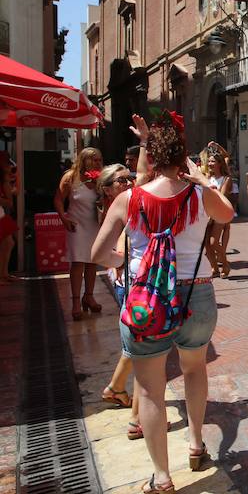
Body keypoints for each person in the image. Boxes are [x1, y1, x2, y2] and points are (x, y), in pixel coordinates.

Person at [92, 111, 234, 493]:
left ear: (150, 158)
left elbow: (98, 253)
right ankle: (196, 443)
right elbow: (229, 214)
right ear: (183, 157)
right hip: (197, 292)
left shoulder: (128, 198)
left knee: (151, 390)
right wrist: (204, 181)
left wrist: (124, 262)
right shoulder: (201, 195)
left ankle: (161, 477)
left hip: (146, 299)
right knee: (194, 370)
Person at [95, 164, 144, 439]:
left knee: (135, 346)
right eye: (120, 180)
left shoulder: (122, 206)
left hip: (125, 282)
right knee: (143, 351)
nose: (128, 183)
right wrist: (121, 262)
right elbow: (106, 252)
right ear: (106, 188)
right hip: (129, 284)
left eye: (129, 178)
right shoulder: (120, 210)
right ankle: (137, 418)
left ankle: (115, 387)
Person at [54, 147, 104, 321]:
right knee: (77, 263)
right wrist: (64, 218)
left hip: (95, 225)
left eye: (99, 159)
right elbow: (58, 199)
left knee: (92, 262)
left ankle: (88, 296)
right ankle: (76, 301)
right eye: (94, 159)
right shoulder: (70, 177)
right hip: (76, 225)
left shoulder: (102, 179)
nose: (98, 162)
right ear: (84, 160)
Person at [203, 149, 232, 278]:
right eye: (209, 161)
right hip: (206, 213)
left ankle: (225, 263)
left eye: (213, 161)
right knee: (206, 244)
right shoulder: (206, 178)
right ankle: (214, 268)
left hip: (219, 213)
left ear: (220, 163)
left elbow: (222, 196)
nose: (209, 163)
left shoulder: (226, 179)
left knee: (214, 242)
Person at [0, 161, 18, 282]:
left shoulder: (5, 182)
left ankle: (4, 273)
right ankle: (3, 274)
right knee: (8, 243)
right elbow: (9, 202)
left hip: (0, 214)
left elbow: (9, 202)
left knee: (9, 243)